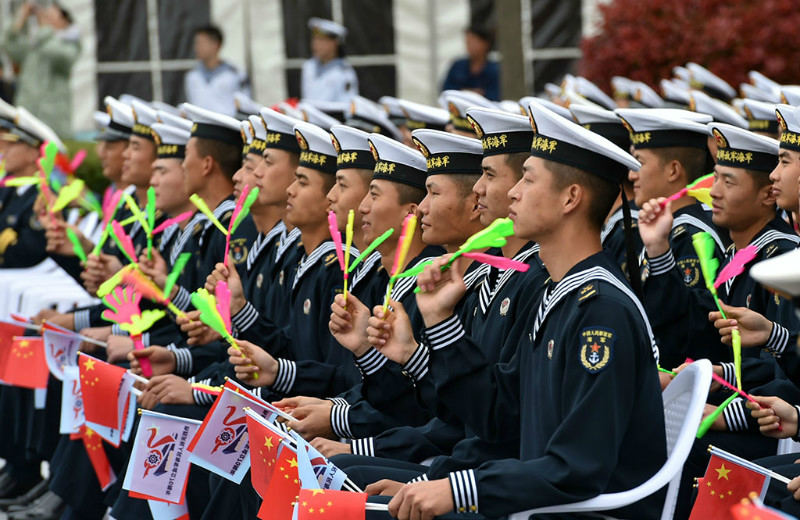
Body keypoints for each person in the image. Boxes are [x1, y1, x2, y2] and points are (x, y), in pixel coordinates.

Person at [365, 100, 665, 519]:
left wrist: (460, 490)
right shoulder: (556, 293)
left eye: (526, 179)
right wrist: (438, 321)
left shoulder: (601, 311)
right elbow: (500, 416)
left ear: (570, 198)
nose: (512, 193)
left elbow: (578, 467)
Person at [1, 2, 79, 137]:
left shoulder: (70, 44)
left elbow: (59, 55)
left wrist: (45, 29)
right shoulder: (34, 46)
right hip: (28, 115)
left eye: (53, 15)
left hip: (54, 122)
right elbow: (8, 43)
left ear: (65, 21)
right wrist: (22, 15)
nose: (47, 17)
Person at [183, 25, 250, 118]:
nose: (197, 48)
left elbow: (245, 105)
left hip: (227, 128)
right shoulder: (192, 76)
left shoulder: (235, 75)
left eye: (202, 43)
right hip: (199, 128)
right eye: (196, 44)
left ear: (216, 45)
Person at [301, 18, 358, 103]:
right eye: (314, 39)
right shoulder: (309, 66)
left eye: (321, 40)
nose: (316, 44)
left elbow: (347, 106)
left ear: (334, 43)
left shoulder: (344, 72)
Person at [441, 25, 500, 101]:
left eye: (473, 41)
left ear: (485, 43)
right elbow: (446, 91)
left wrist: (463, 93)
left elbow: (495, 96)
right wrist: (473, 93)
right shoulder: (458, 66)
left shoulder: (495, 70)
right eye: (467, 42)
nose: (469, 45)